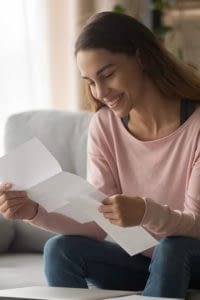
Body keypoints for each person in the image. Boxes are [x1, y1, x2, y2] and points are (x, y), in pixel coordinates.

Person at [0, 11, 200, 299]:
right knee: (60, 249)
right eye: (91, 81)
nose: (100, 92)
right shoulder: (105, 126)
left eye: (107, 74)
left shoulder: (195, 126)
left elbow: (195, 225)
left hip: (190, 255)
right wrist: (34, 212)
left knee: (172, 248)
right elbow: (96, 223)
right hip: (147, 262)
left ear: (141, 58)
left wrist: (144, 211)